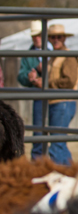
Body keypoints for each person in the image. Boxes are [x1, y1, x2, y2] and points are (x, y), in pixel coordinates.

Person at [29, 24, 78, 165]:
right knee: (58, 141)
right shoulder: (53, 57)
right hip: (56, 102)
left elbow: (69, 81)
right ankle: (68, 172)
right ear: (49, 39)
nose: (56, 39)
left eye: (59, 37)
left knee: (57, 143)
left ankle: (64, 172)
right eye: (53, 37)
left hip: (63, 101)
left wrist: (47, 83)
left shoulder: (68, 56)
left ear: (64, 38)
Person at [17, 21, 53, 159]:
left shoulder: (55, 50)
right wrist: (29, 77)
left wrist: (45, 73)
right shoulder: (29, 54)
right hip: (39, 96)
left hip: (56, 95)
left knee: (56, 131)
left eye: (39, 35)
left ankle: (55, 160)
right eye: (34, 36)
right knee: (39, 131)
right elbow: (20, 76)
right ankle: (38, 160)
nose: (36, 38)